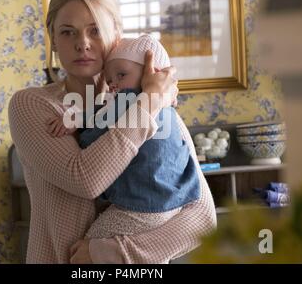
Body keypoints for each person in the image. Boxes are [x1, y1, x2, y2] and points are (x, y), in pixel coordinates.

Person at [8, 0, 216, 264]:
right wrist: (151, 101)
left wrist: (111, 253)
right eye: (68, 32)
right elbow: (86, 179)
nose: (82, 44)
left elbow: (202, 220)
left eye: (95, 30)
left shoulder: (153, 102)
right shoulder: (33, 106)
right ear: (53, 40)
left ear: (117, 34)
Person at [47, 35, 201, 245]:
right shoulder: (168, 109)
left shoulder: (131, 99)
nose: (114, 85)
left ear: (152, 73)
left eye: (121, 74)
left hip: (143, 205)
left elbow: (94, 136)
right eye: (110, 80)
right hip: (177, 199)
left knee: (91, 245)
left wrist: (75, 122)